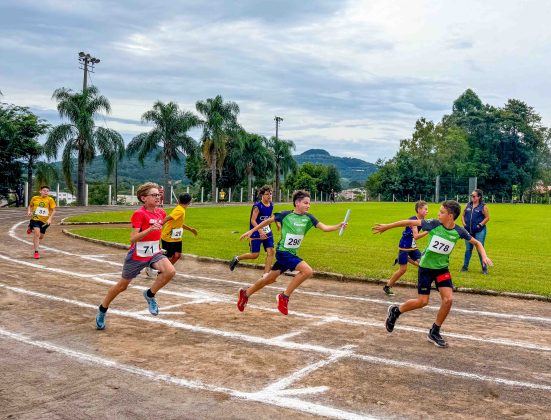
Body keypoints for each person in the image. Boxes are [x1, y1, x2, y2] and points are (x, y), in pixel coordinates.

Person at [373, 200, 492, 348]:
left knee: (448, 300)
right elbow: (409, 222)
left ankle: (434, 331)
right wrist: (387, 226)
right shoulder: (434, 224)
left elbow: (477, 243)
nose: (438, 214)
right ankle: (396, 311)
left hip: (442, 269)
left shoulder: (459, 231)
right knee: (423, 302)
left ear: (450, 216)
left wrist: (484, 256)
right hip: (426, 268)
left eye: (441, 212)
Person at [236, 190, 347, 315]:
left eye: (309, 203)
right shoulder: (285, 215)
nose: (308, 205)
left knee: (269, 279)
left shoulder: (309, 217)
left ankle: (245, 294)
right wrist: (252, 231)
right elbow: (267, 221)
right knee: (307, 271)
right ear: (297, 203)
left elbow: (325, 228)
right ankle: (284, 296)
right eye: (305, 203)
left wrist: (338, 226)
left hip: (291, 254)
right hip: (283, 252)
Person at [95, 182, 176, 330]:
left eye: (158, 194)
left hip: (154, 253)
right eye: (154, 195)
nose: (158, 197)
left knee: (170, 271)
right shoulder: (139, 214)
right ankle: (102, 308)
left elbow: (158, 228)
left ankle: (150, 294)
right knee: (122, 286)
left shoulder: (161, 213)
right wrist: (150, 229)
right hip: (137, 255)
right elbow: (133, 239)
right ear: (144, 198)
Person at [383, 200, 429, 296]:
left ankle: (407, 259)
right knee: (403, 270)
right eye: (425, 209)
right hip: (405, 246)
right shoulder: (413, 221)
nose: (427, 211)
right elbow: (416, 236)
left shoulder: (422, 220)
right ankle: (387, 286)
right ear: (419, 210)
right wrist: (428, 231)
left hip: (412, 246)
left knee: (423, 264)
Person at [229, 185, 276, 275]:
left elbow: (269, 216)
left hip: (267, 231)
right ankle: (237, 258)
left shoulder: (271, 205)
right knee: (255, 255)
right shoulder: (257, 206)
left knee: (271, 252)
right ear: (262, 195)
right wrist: (260, 231)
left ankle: (265, 275)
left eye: (270, 194)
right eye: (267, 194)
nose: (269, 196)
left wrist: (276, 223)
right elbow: (253, 220)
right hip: (256, 232)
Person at [160, 193, 197, 265]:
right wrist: (158, 226)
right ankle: (162, 268)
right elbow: (167, 218)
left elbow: (179, 224)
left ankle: (167, 269)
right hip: (168, 236)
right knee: (168, 257)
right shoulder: (179, 210)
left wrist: (190, 229)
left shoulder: (181, 209)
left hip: (177, 237)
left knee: (177, 255)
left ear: (178, 200)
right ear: (189, 202)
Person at [461, 189, 490, 274]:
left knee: (480, 249)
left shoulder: (483, 206)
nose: (472, 197)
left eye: (474, 196)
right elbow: (462, 216)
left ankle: (484, 268)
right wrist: (464, 224)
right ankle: (465, 267)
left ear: (479, 197)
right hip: (468, 231)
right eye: (471, 196)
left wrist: (480, 225)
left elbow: (487, 218)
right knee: (468, 249)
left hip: (479, 231)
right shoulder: (468, 205)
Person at [26, 185, 56, 259]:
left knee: (41, 236)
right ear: (40, 191)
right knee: (37, 234)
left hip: (45, 221)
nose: (46, 192)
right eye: (44, 190)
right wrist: (29, 211)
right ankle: (36, 252)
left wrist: (50, 219)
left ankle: (30, 226)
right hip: (35, 219)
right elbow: (30, 206)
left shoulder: (50, 199)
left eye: (47, 191)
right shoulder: (35, 198)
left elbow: (54, 210)